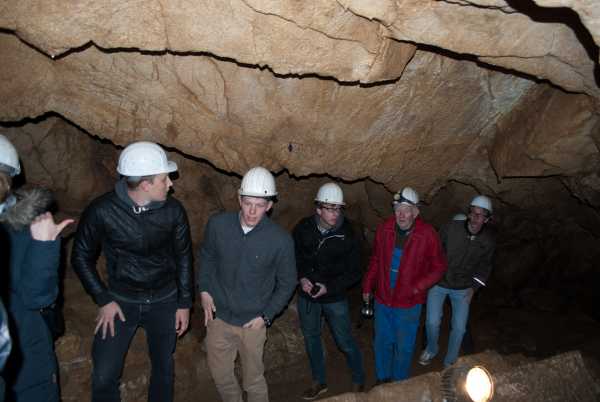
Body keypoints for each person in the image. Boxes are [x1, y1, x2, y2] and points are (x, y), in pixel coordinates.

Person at [71, 141, 193, 402]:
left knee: (164, 369)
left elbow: (184, 256)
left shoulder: (174, 211)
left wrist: (184, 303)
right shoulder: (102, 210)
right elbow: (80, 256)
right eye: (164, 179)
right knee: (104, 375)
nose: (171, 184)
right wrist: (102, 298)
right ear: (145, 184)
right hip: (121, 300)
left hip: (164, 299)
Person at [197, 166, 296, 402]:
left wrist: (267, 316)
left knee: (253, 381)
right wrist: (204, 289)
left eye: (260, 205)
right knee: (221, 375)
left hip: (253, 322)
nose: (252, 211)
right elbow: (207, 256)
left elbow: (288, 281)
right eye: (248, 203)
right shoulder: (218, 225)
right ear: (239, 199)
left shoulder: (280, 241)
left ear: (269, 206)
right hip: (218, 318)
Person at [0, 134, 73, 402]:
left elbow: (35, 296)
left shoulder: (18, 227)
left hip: (22, 349)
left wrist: (43, 246)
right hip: (23, 353)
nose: (169, 184)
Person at [362, 187, 446, 383]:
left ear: (415, 212)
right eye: (398, 208)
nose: (401, 214)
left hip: (408, 303)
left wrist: (418, 287)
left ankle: (400, 383)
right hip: (383, 299)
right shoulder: (385, 229)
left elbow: (439, 267)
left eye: (406, 209)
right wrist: (367, 286)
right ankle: (383, 379)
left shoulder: (427, 234)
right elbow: (375, 259)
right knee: (382, 342)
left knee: (404, 346)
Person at [293, 183, 365, 400]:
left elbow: (355, 272)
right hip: (308, 296)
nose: (335, 213)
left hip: (334, 296)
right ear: (318, 209)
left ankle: (359, 377)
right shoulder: (303, 228)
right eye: (329, 208)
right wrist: (302, 278)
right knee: (312, 338)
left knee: (344, 340)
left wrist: (329, 287)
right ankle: (319, 381)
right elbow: (292, 258)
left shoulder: (349, 233)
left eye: (338, 208)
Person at [419, 195, 495, 368]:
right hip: (439, 283)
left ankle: (450, 360)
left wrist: (474, 288)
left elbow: (485, 267)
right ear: (468, 213)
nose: (475, 217)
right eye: (473, 213)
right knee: (432, 322)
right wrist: (430, 276)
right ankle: (431, 349)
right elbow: (434, 251)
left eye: (480, 215)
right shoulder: (451, 228)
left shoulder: (488, 241)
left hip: (463, 288)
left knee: (460, 328)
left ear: (487, 219)